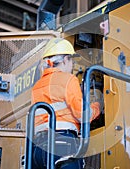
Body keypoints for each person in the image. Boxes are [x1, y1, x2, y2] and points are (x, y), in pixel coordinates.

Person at [31, 38, 101, 169]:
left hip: (38, 150)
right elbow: (83, 115)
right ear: (65, 60)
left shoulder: (37, 86)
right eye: (71, 60)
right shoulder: (68, 79)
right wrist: (97, 107)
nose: (73, 65)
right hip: (62, 145)